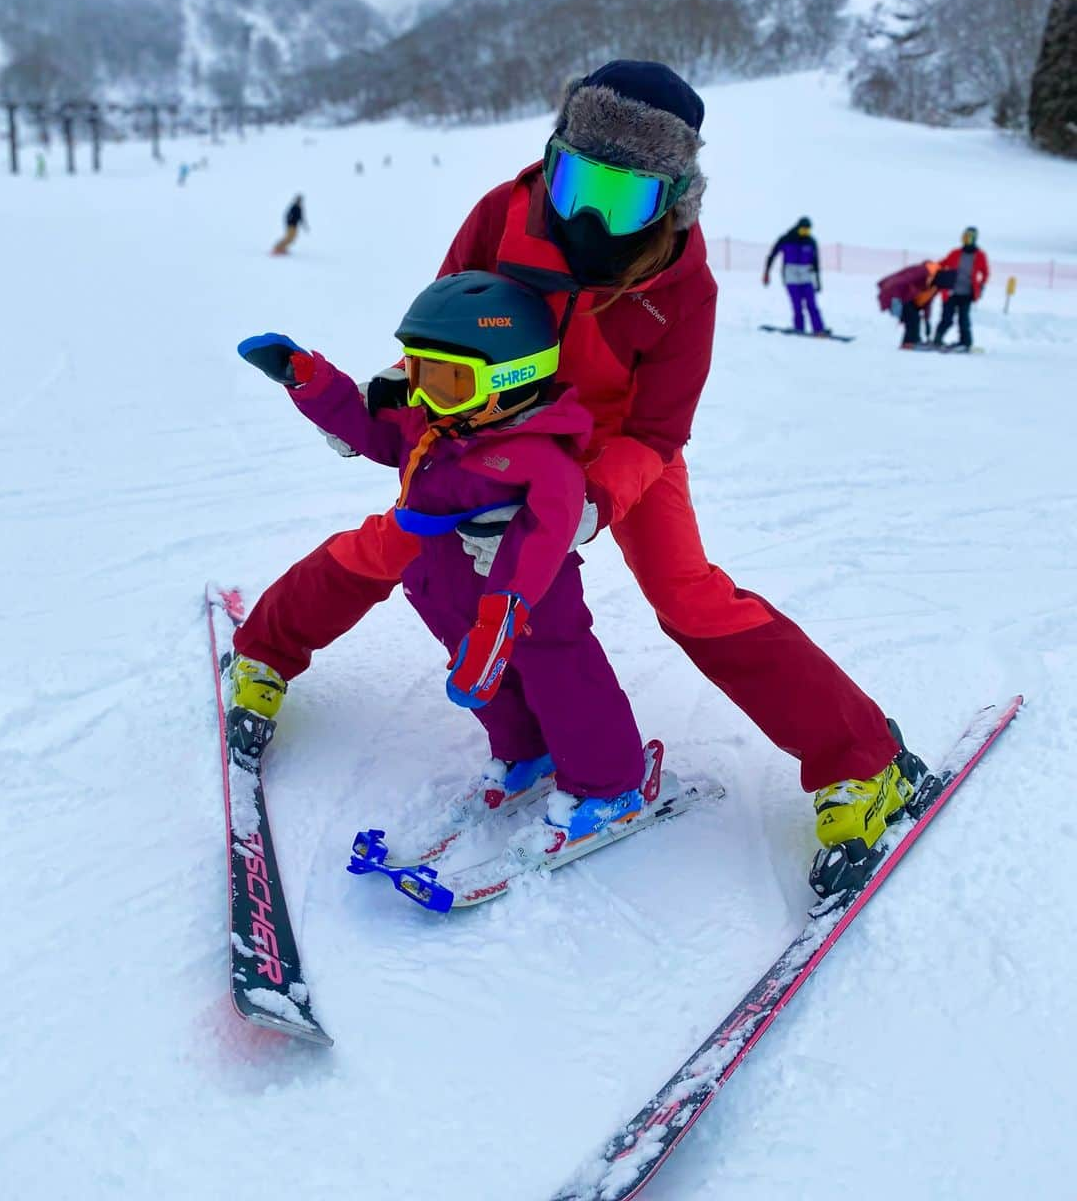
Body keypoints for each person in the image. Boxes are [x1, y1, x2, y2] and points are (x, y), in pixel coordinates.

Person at [232, 60, 928, 896]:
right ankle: (266, 655)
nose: (590, 215)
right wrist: (395, 396)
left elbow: (660, 429)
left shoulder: (681, 285)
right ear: (553, 157)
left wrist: (591, 505)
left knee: (690, 595)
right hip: (493, 427)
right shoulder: (502, 213)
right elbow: (449, 318)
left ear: (672, 200)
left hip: (617, 451)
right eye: (576, 181)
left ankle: (864, 759)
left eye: (625, 197)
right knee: (402, 548)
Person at [230, 272, 646, 846]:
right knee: (484, 685)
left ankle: (609, 784)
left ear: (510, 379)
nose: (424, 398)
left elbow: (539, 546)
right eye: (419, 375)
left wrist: (498, 625)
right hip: (441, 584)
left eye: (447, 382)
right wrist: (309, 381)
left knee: (562, 678)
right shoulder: (444, 422)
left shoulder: (542, 461)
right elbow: (371, 427)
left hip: (525, 600)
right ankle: (526, 749)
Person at [763, 217, 827, 335]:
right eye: (804, 229)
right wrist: (766, 273)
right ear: (798, 227)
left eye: (808, 230)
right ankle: (799, 327)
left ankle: (819, 329)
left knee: (812, 304)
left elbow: (816, 263)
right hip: (791, 277)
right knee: (797, 305)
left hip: (807, 277)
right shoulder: (786, 239)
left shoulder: (811, 242)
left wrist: (818, 281)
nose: (806, 232)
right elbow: (772, 255)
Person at [933, 226, 990, 349]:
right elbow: (941, 264)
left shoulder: (980, 255)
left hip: (967, 294)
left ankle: (966, 343)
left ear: (974, 239)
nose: (965, 239)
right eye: (964, 236)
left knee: (963, 320)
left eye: (969, 237)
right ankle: (937, 340)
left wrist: (981, 286)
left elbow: (985, 273)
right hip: (950, 293)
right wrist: (929, 267)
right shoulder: (955, 253)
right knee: (946, 319)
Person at [877, 260, 950, 347]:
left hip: (909, 299)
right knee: (913, 318)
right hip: (898, 296)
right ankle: (910, 342)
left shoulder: (936, 284)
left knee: (913, 317)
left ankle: (912, 341)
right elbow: (898, 282)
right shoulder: (923, 271)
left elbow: (927, 301)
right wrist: (895, 299)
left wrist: (927, 320)